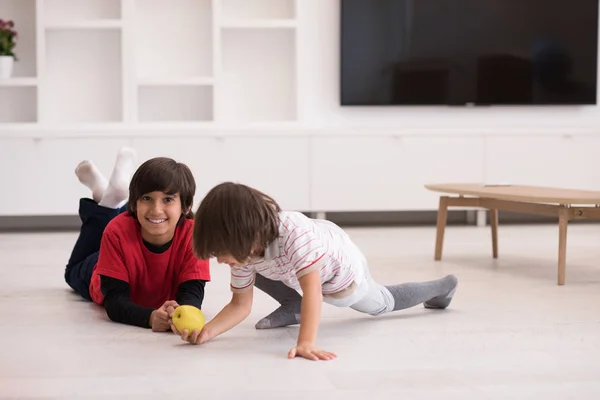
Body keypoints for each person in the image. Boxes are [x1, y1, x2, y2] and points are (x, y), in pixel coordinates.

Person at [173, 182, 458, 361]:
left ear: (244, 236)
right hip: (305, 253)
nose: (220, 261)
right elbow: (240, 304)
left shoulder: (295, 235)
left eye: (221, 252)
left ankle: (442, 286)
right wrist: (207, 333)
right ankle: (290, 302)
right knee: (250, 271)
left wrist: (306, 343)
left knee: (382, 303)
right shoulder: (246, 251)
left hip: (343, 277)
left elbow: (314, 292)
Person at [64, 147, 211, 331]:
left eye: (167, 200)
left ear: (186, 206)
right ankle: (108, 200)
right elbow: (115, 301)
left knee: (124, 224)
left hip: (127, 249)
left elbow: (192, 292)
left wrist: (178, 313)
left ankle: (107, 195)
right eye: (147, 198)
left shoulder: (195, 236)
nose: (156, 209)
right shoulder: (117, 231)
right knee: (72, 273)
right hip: (100, 266)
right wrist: (149, 318)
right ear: (133, 204)